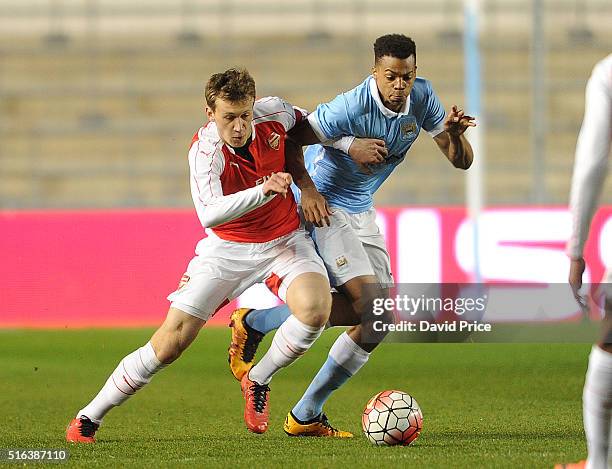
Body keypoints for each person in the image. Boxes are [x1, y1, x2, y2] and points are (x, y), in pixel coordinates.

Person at [65, 68, 334, 441]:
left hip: (284, 240)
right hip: (227, 249)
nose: (238, 126)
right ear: (210, 114)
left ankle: (257, 379)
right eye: (228, 118)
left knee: (316, 309)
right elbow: (209, 212)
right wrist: (265, 190)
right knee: (169, 343)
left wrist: (349, 147)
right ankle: (88, 417)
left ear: (253, 106)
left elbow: (318, 125)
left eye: (244, 115)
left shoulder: (277, 113)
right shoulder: (205, 150)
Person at [228, 34, 476, 437]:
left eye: (407, 77)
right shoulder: (350, 106)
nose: (399, 86)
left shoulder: (423, 97)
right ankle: (260, 376)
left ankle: (302, 406)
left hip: (361, 210)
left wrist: (457, 134)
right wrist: (311, 185)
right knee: (371, 305)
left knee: (379, 319)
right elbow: (293, 138)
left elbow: (460, 162)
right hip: (324, 204)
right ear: (375, 72)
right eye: (391, 76)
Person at [557, 54, 612, 469]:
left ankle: (598, 462)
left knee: (609, 346)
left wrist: (576, 248)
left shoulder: (608, 74)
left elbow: (592, 164)